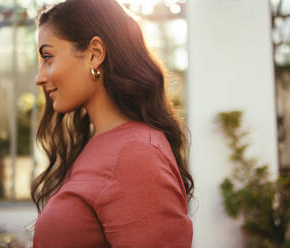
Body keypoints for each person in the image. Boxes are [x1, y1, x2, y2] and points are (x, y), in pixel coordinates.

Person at [31, 0, 194, 247]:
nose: (39, 78)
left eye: (48, 57)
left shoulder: (136, 155)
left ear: (95, 54)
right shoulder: (97, 145)